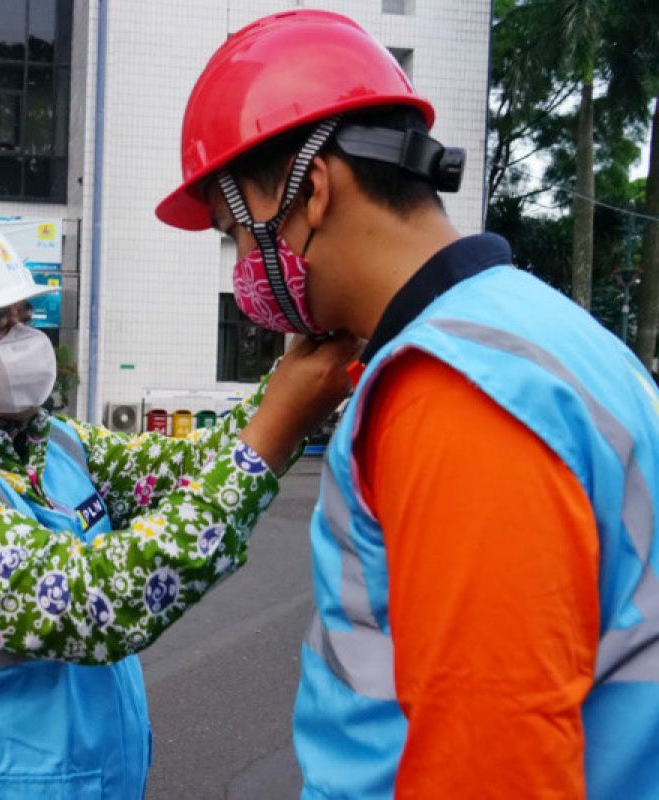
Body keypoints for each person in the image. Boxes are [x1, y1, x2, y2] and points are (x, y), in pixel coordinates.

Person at [156, 10, 659, 798]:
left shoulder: (457, 390)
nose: (246, 265)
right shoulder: (542, 334)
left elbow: (492, 761)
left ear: (312, 189)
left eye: (238, 232)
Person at [0, 193, 355, 798]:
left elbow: (195, 464)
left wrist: (300, 370)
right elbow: (95, 601)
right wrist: (281, 423)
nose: (24, 340)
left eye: (23, 318)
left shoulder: (47, 443)